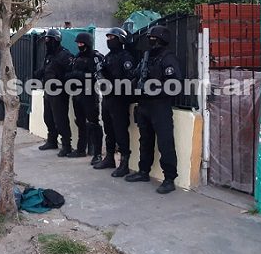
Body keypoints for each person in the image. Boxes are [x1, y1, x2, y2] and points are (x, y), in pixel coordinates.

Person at [125, 25, 182, 194]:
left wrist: (153, 89)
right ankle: (144, 171)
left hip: (160, 106)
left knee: (165, 143)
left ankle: (169, 179)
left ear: (161, 39)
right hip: (144, 105)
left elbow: (174, 84)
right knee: (145, 140)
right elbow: (136, 75)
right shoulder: (147, 57)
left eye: (153, 38)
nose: (150, 41)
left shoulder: (168, 58)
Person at [93, 28, 135, 176]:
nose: (109, 40)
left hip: (119, 99)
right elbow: (101, 72)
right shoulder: (108, 56)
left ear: (120, 40)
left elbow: (129, 79)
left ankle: (124, 163)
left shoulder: (126, 57)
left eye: (112, 37)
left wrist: (113, 85)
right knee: (108, 129)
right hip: (107, 98)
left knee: (120, 131)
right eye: (108, 37)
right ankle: (109, 157)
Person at [65, 32, 104, 165]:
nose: (79, 46)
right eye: (78, 44)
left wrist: (77, 75)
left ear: (87, 43)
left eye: (81, 44)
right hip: (77, 94)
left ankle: (97, 153)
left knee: (93, 123)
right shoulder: (77, 57)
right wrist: (73, 76)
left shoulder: (95, 57)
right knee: (80, 122)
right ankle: (81, 149)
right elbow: (69, 73)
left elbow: (95, 75)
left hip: (89, 93)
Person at [35, 29, 74, 157]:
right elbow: (47, 68)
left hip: (59, 91)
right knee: (48, 117)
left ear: (56, 40)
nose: (46, 42)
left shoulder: (64, 55)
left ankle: (67, 145)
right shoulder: (50, 55)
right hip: (48, 90)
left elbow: (70, 73)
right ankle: (52, 140)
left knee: (60, 119)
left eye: (49, 39)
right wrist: (40, 72)